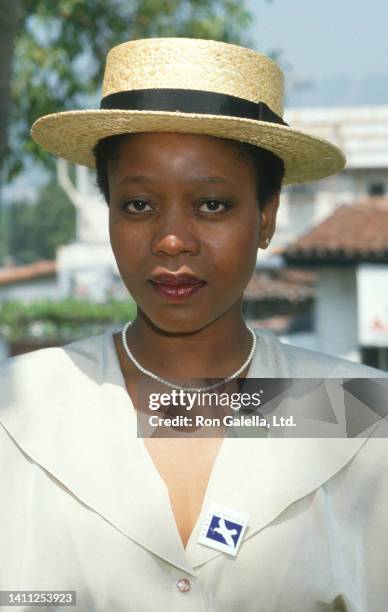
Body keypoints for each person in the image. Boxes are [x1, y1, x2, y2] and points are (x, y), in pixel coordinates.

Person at [0, 37, 387, 612]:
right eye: (138, 205)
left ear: (266, 216)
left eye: (211, 204)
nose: (172, 240)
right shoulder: (22, 407)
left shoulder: (350, 411)